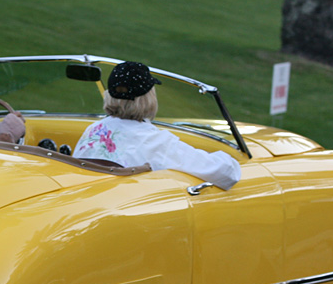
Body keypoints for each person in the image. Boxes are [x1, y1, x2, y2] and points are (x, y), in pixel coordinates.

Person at [72, 61, 241, 189]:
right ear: (148, 98)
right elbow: (226, 172)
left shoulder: (94, 130)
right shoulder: (156, 141)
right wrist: (225, 157)